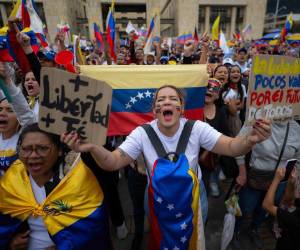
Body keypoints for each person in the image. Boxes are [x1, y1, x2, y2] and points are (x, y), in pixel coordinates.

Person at [62, 85, 271, 249]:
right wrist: (92, 147)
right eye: (160, 100)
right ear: (155, 110)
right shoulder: (142, 133)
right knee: (160, 237)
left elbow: (232, 147)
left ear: (181, 108)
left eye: (173, 99)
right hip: (155, 198)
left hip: (195, 199)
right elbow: (114, 161)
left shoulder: (197, 128)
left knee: (192, 237)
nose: (166, 102)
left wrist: (249, 140)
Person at [0, 124, 112, 249]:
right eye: (26, 149)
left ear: (59, 150)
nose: (33, 155)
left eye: (42, 148)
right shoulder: (13, 179)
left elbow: (92, 233)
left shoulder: (79, 181)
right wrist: (10, 243)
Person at [233, 119, 300, 250]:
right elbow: (238, 144)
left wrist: (293, 181)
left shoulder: (296, 128)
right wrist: (242, 172)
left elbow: (298, 158)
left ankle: (254, 229)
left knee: (264, 209)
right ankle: (235, 231)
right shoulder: (259, 121)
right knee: (245, 207)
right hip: (256, 177)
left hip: (279, 181)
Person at [0, 62, 36, 176]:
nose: (2, 113)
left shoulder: (24, 138)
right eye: (0, 109)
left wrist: (7, 82)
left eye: (10, 110)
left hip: (17, 192)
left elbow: (25, 113)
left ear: (19, 119)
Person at [263, 167, 300, 250]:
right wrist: (291, 182)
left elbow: (267, 205)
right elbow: (289, 201)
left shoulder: (294, 219)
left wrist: (276, 180)